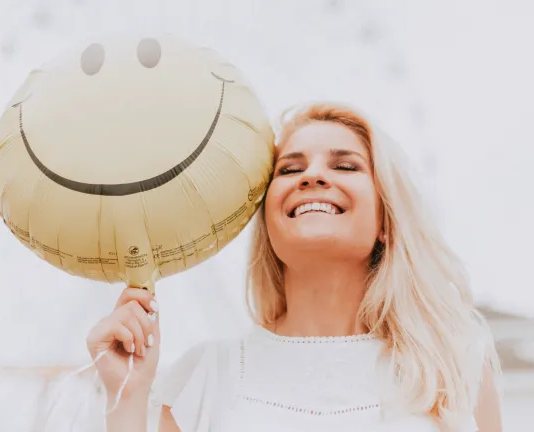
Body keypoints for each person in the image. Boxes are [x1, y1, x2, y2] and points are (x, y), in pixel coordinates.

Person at [86, 102, 503, 431]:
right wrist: (125, 396)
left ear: (387, 223)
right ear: (267, 222)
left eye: (345, 165)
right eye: (290, 169)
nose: (313, 176)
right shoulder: (206, 378)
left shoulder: (452, 367)